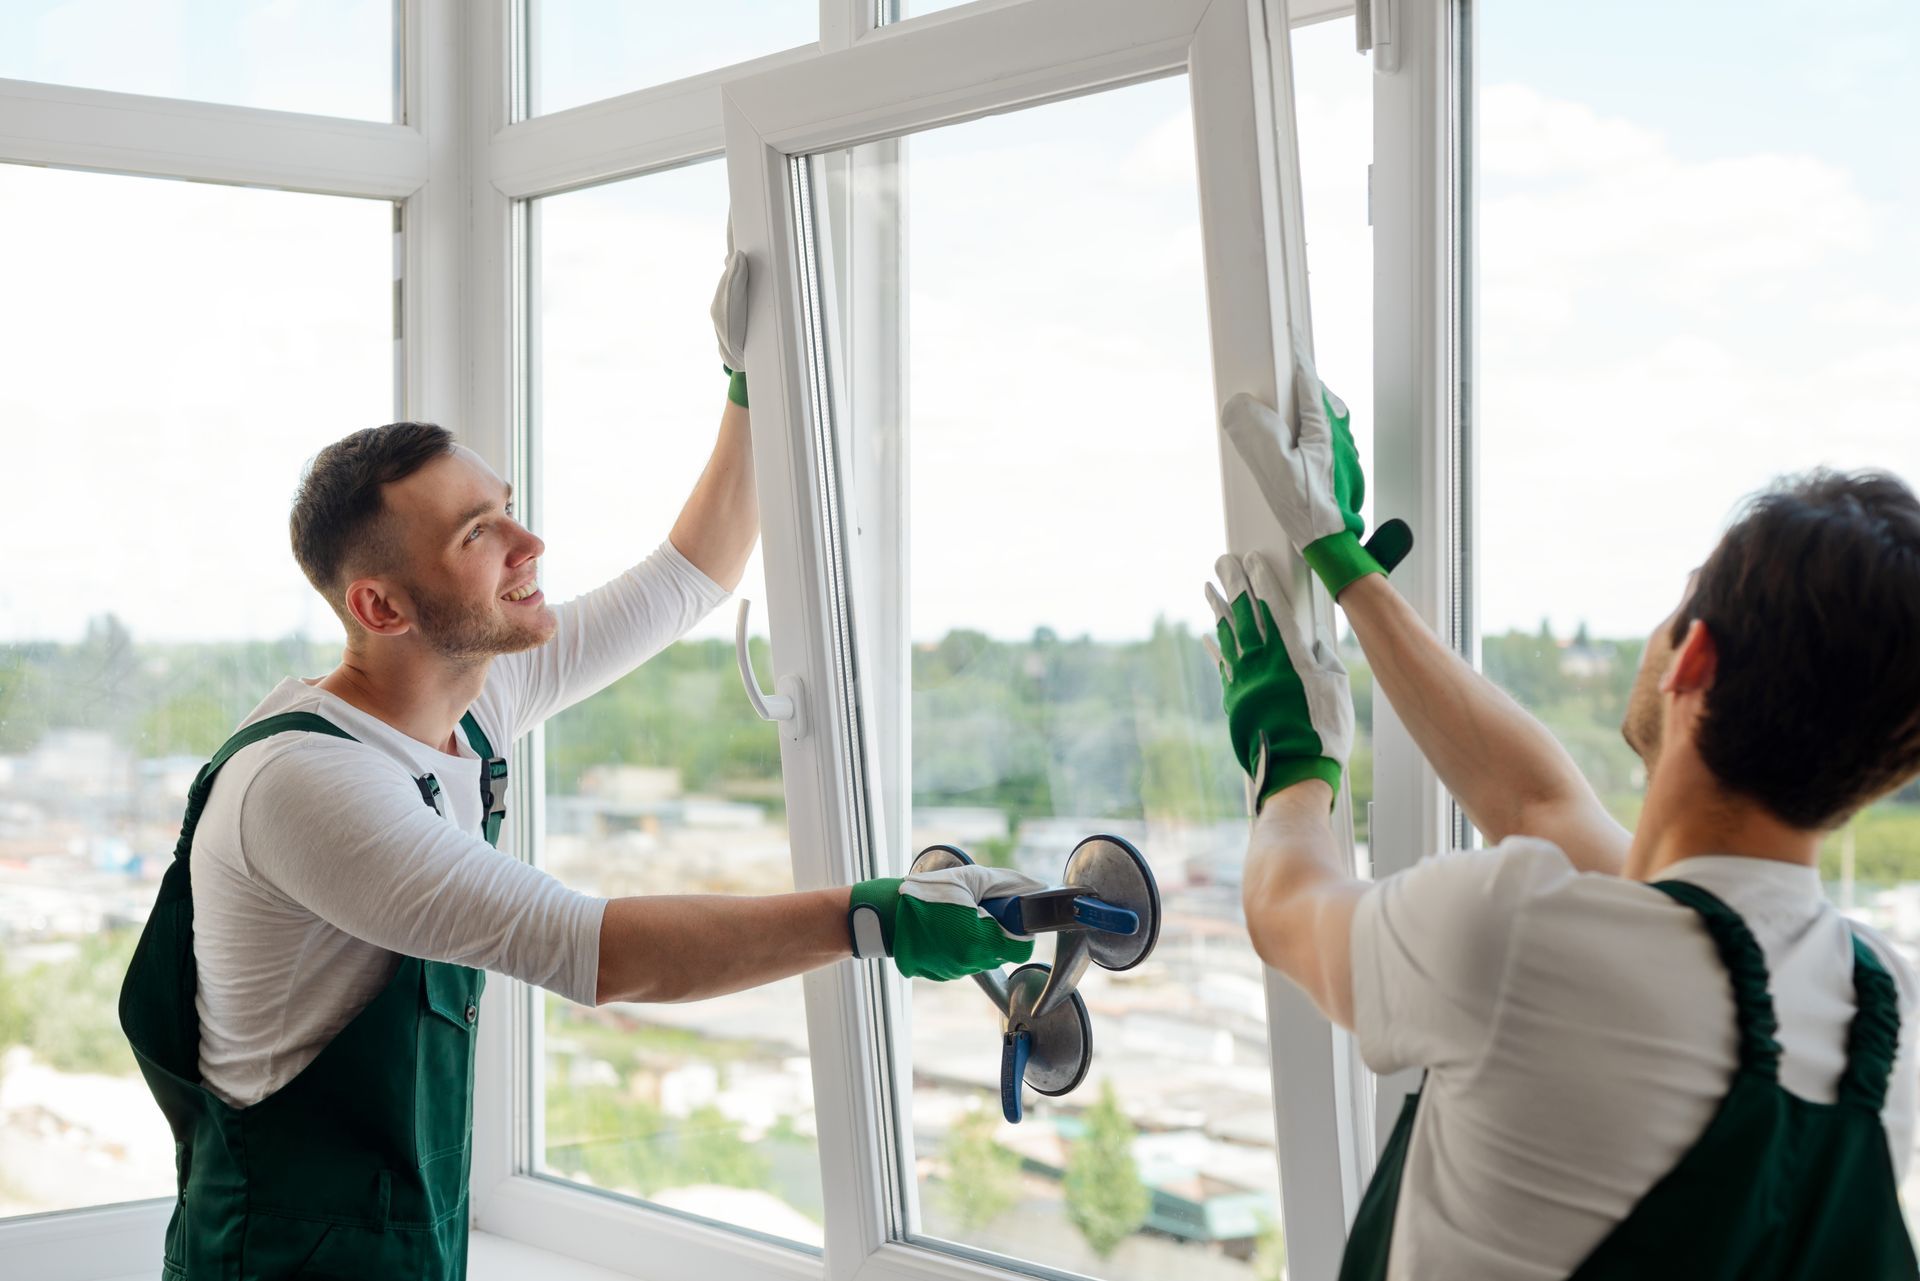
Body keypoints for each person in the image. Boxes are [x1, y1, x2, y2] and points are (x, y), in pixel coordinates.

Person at [118, 238, 1042, 1281]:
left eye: (505, 503)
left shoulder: (464, 699)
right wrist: (871, 917)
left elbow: (688, 577)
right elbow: (599, 951)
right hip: (276, 1260)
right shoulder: (309, 787)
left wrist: (751, 383)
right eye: (480, 533)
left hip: (400, 1236)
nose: (531, 543)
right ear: (380, 607)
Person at [1207, 352, 1920, 1280]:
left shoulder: (1519, 939)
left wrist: (1293, 758)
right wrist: (1340, 561)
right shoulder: (1888, 1014)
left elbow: (1283, 905)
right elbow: (1539, 804)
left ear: (1691, 657)